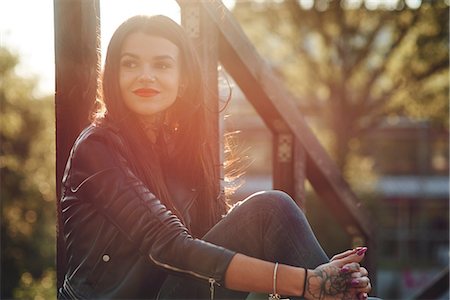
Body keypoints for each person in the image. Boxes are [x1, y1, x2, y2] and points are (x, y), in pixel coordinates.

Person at [58, 14, 372, 300]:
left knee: (271, 211)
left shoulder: (179, 147)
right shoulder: (97, 147)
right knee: (268, 210)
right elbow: (169, 246)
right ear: (113, 74)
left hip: (177, 291)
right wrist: (308, 282)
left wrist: (318, 275)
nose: (145, 76)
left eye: (162, 65)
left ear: (183, 80)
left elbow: (214, 245)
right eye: (130, 64)